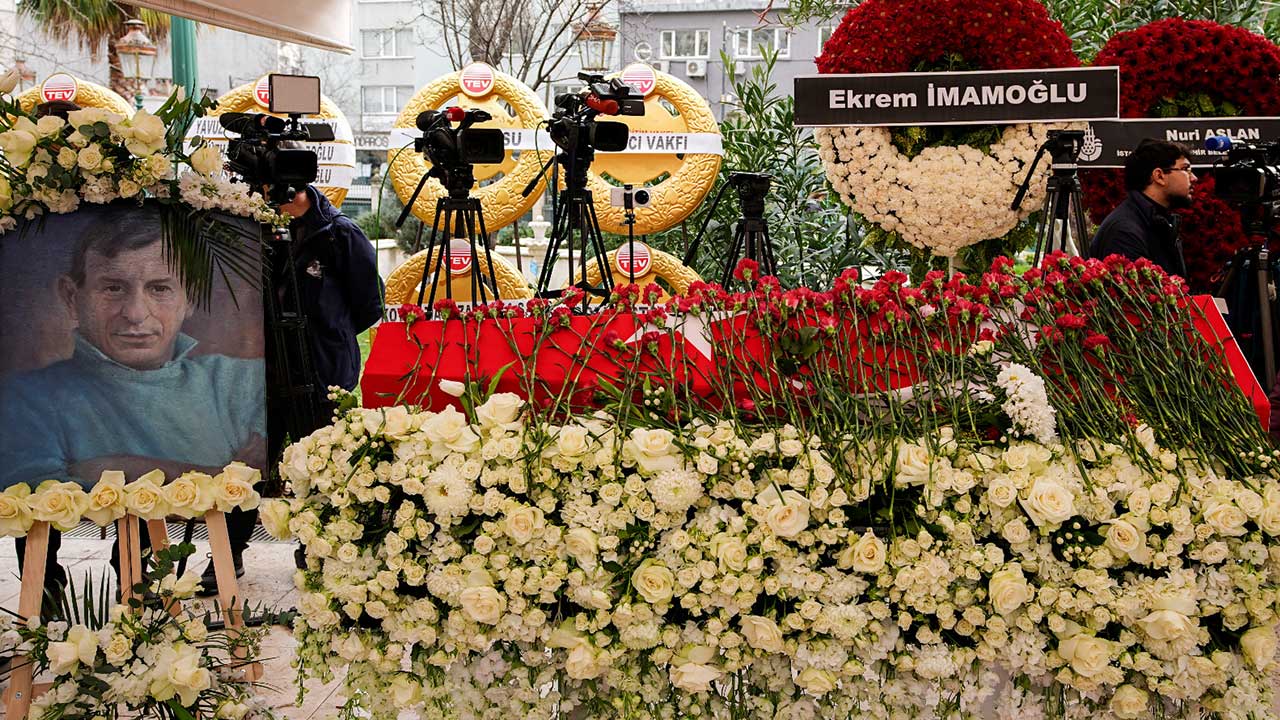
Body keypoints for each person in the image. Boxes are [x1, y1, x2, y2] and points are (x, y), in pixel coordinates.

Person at [0, 205, 267, 603]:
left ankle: (141, 580)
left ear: (189, 297)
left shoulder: (238, 381)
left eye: (160, 288)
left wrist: (109, 464)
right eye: (113, 288)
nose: (136, 314)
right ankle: (44, 593)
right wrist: (212, 470)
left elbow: (255, 469)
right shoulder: (28, 397)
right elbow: (36, 485)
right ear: (72, 297)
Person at [252, 183, 382, 580]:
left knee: (321, 465)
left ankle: (318, 550)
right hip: (265, 367)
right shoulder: (256, 226)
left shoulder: (339, 233)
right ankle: (229, 551)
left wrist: (328, 332)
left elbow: (370, 304)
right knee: (251, 462)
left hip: (322, 368)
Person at [1089, 138, 1196, 278]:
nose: (1193, 178)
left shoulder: (1158, 220)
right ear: (1159, 176)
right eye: (1185, 169)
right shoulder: (1124, 231)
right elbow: (1134, 290)